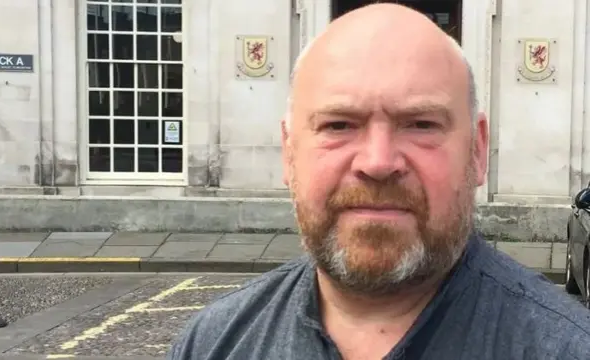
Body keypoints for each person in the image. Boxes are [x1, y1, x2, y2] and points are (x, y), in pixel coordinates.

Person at [166, 3, 590, 359]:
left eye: (421, 124)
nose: (378, 162)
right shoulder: (213, 343)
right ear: (289, 150)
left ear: (477, 151)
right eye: (338, 125)